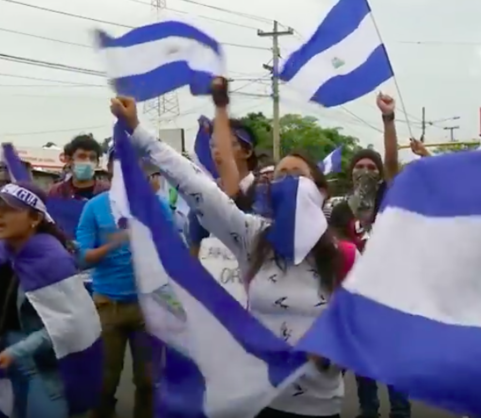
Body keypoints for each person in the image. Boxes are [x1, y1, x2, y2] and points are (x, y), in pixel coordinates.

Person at [111, 79, 348, 418]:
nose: (287, 182)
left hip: (321, 407)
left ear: (321, 191)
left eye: (298, 175)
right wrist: (139, 130)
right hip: (262, 401)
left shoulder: (344, 253)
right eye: (280, 176)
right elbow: (196, 186)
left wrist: (327, 351)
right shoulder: (253, 236)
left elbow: (364, 328)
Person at [0, 181, 100, 418]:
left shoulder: (53, 260)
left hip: (41, 368)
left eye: (9, 209)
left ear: (34, 218)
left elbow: (70, 324)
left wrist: (17, 351)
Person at [327, 94, 411, 418]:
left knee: (394, 362)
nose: (365, 170)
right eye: (359, 166)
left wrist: (388, 120)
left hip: (392, 296)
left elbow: (391, 162)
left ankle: (401, 411)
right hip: (356, 298)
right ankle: (368, 410)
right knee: (363, 366)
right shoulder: (339, 209)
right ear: (350, 173)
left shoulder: (389, 197)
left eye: (371, 167)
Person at [76, 150, 173, 418]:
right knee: (104, 381)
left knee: (147, 380)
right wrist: (115, 241)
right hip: (107, 305)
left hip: (149, 306)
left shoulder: (156, 205)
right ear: (108, 169)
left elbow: (173, 251)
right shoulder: (94, 207)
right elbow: (83, 259)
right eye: (118, 165)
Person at [186, 111, 259, 257]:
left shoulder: (265, 192)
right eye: (213, 145)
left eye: (225, 143)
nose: (217, 150)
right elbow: (195, 248)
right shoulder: (205, 196)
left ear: (247, 151)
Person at [49, 134, 109, 200]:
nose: (87, 161)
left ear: (97, 162)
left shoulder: (108, 193)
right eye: (82, 156)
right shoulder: (56, 192)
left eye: (92, 157)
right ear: (69, 160)